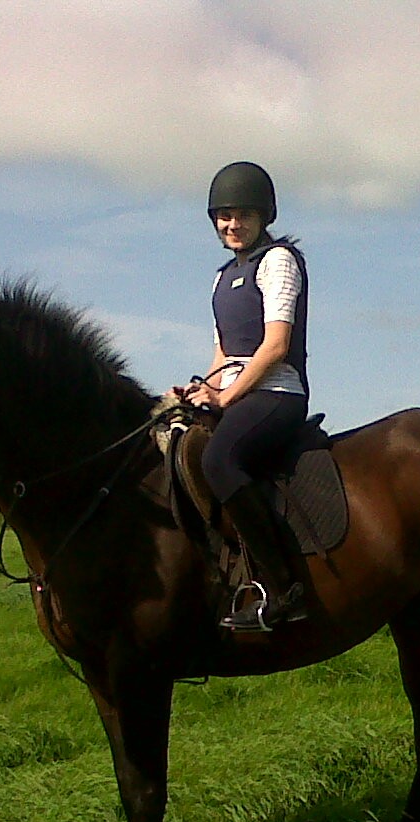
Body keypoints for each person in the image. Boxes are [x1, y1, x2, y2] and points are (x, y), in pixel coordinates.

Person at [172, 161, 311, 632]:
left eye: (244, 216)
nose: (233, 225)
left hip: (277, 393)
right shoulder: (220, 278)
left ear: (264, 217)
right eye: (224, 216)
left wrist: (228, 396)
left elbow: (275, 345)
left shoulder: (278, 262)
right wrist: (202, 390)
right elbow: (223, 352)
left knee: (218, 460)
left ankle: (285, 589)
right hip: (236, 390)